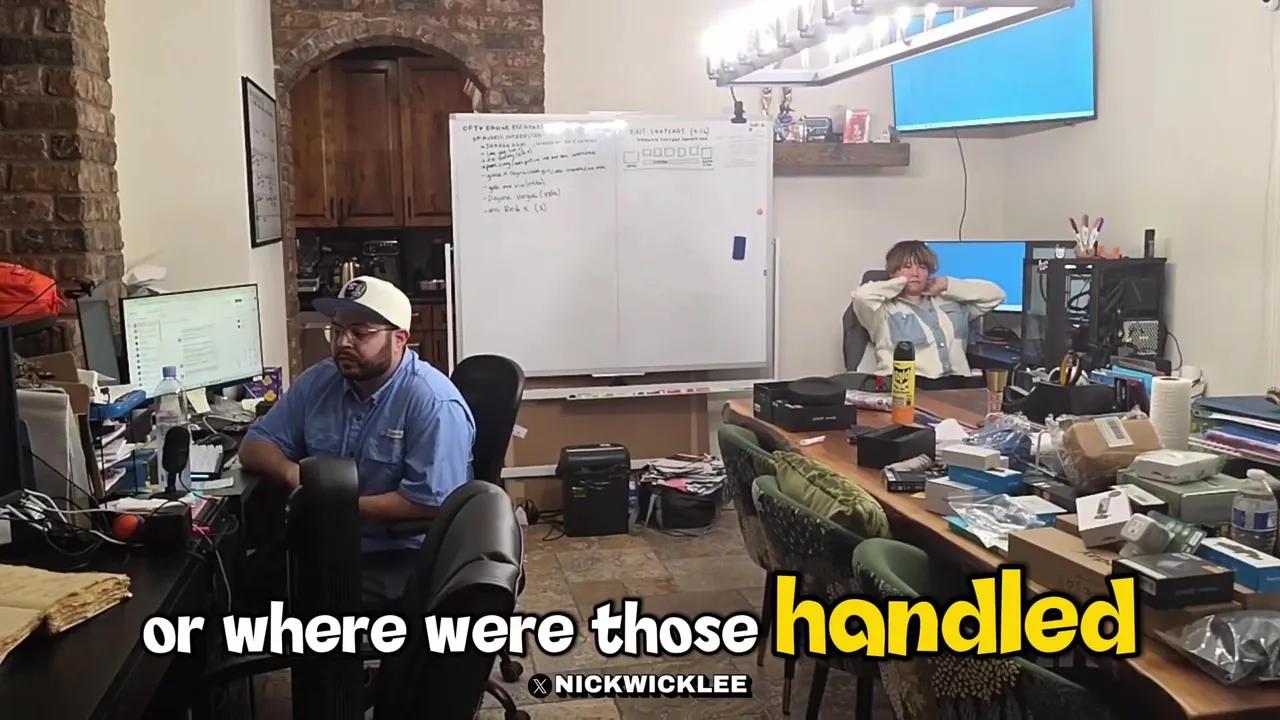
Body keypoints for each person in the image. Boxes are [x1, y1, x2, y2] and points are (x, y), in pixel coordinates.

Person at [239, 275, 476, 608]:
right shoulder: (319, 381)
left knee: (306, 601)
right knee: (236, 580)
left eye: (360, 333)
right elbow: (255, 444)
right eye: (337, 331)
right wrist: (293, 474)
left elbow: (431, 502)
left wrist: (335, 506)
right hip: (323, 540)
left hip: (399, 553)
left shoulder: (433, 402)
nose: (343, 343)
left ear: (400, 339)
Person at [851, 240, 1005, 383]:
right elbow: (861, 296)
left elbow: (997, 295)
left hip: (956, 387)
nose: (915, 273)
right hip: (907, 388)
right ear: (893, 272)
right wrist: (899, 282)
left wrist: (946, 284)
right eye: (907, 267)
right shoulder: (882, 311)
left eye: (922, 267)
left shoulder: (951, 302)